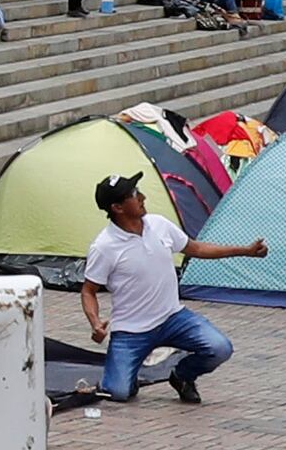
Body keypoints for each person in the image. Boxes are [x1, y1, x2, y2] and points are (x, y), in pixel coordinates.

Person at [79, 173, 255, 405]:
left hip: (173, 318)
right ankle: (127, 378)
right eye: (134, 194)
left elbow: (196, 248)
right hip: (131, 331)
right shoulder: (104, 246)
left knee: (220, 348)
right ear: (117, 208)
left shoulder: (159, 225)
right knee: (117, 392)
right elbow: (88, 291)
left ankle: (182, 377)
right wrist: (95, 323)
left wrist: (244, 251)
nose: (142, 197)